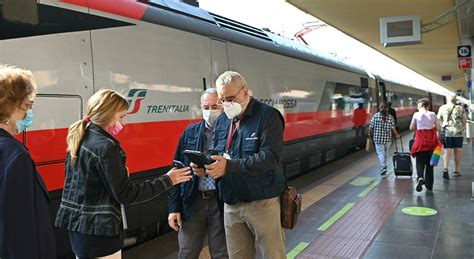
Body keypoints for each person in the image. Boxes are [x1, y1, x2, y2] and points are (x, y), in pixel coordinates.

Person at [55, 89, 192, 259]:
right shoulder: (106, 147)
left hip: (79, 228)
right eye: (121, 117)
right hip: (100, 231)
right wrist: (168, 180)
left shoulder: (81, 137)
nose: (124, 123)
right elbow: (126, 194)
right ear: (108, 114)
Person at [193, 71, 287, 259]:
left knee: (273, 255)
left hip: (262, 201)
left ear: (244, 91)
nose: (225, 104)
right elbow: (217, 152)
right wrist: (206, 167)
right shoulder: (222, 120)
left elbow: (270, 157)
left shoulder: (268, 116)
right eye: (222, 99)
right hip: (231, 202)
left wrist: (229, 166)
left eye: (229, 98)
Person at [0, 66, 56, 259]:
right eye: (27, 105)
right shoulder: (15, 156)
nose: (30, 112)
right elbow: (19, 229)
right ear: (8, 107)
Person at [168, 88, 228, 259]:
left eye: (215, 106)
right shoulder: (191, 132)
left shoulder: (232, 132)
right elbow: (177, 168)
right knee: (187, 252)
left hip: (221, 201)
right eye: (206, 107)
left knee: (222, 253)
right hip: (193, 201)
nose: (210, 111)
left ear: (223, 106)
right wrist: (174, 207)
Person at [409, 99, 441, 192]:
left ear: (420, 106)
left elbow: (411, 127)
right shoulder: (433, 114)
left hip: (420, 142)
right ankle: (429, 186)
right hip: (432, 142)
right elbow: (439, 128)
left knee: (419, 162)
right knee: (430, 166)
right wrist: (432, 127)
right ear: (428, 106)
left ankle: (420, 177)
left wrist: (419, 127)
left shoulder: (416, 114)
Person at [437, 95, 466, 179]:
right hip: (458, 133)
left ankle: (445, 168)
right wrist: (462, 128)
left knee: (447, 151)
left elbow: (438, 119)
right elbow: (464, 121)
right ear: (455, 100)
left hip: (447, 132)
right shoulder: (460, 108)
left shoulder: (442, 108)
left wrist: (442, 126)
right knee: (458, 151)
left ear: (447, 99)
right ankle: (456, 170)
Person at [369, 102, 400, 175]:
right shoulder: (390, 117)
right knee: (385, 153)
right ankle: (384, 166)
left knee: (380, 154)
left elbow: (371, 128)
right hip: (387, 139)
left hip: (377, 139)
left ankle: (383, 167)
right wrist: (397, 135)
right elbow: (393, 128)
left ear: (380, 108)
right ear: (387, 109)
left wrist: (369, 136)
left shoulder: (375, 116)